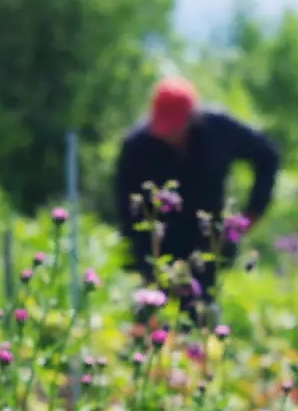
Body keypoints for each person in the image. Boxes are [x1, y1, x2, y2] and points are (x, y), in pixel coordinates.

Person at [113, 76, 280, 325]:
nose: (169, 135)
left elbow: (268, 155)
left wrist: (252, 213)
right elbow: (126, 208)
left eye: (175, 128)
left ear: (192, 117)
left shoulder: (219, 130)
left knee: (202, 315)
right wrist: (140, 255)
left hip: (209, 240)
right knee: (154, 320)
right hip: (158, 246)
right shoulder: (137, 146)